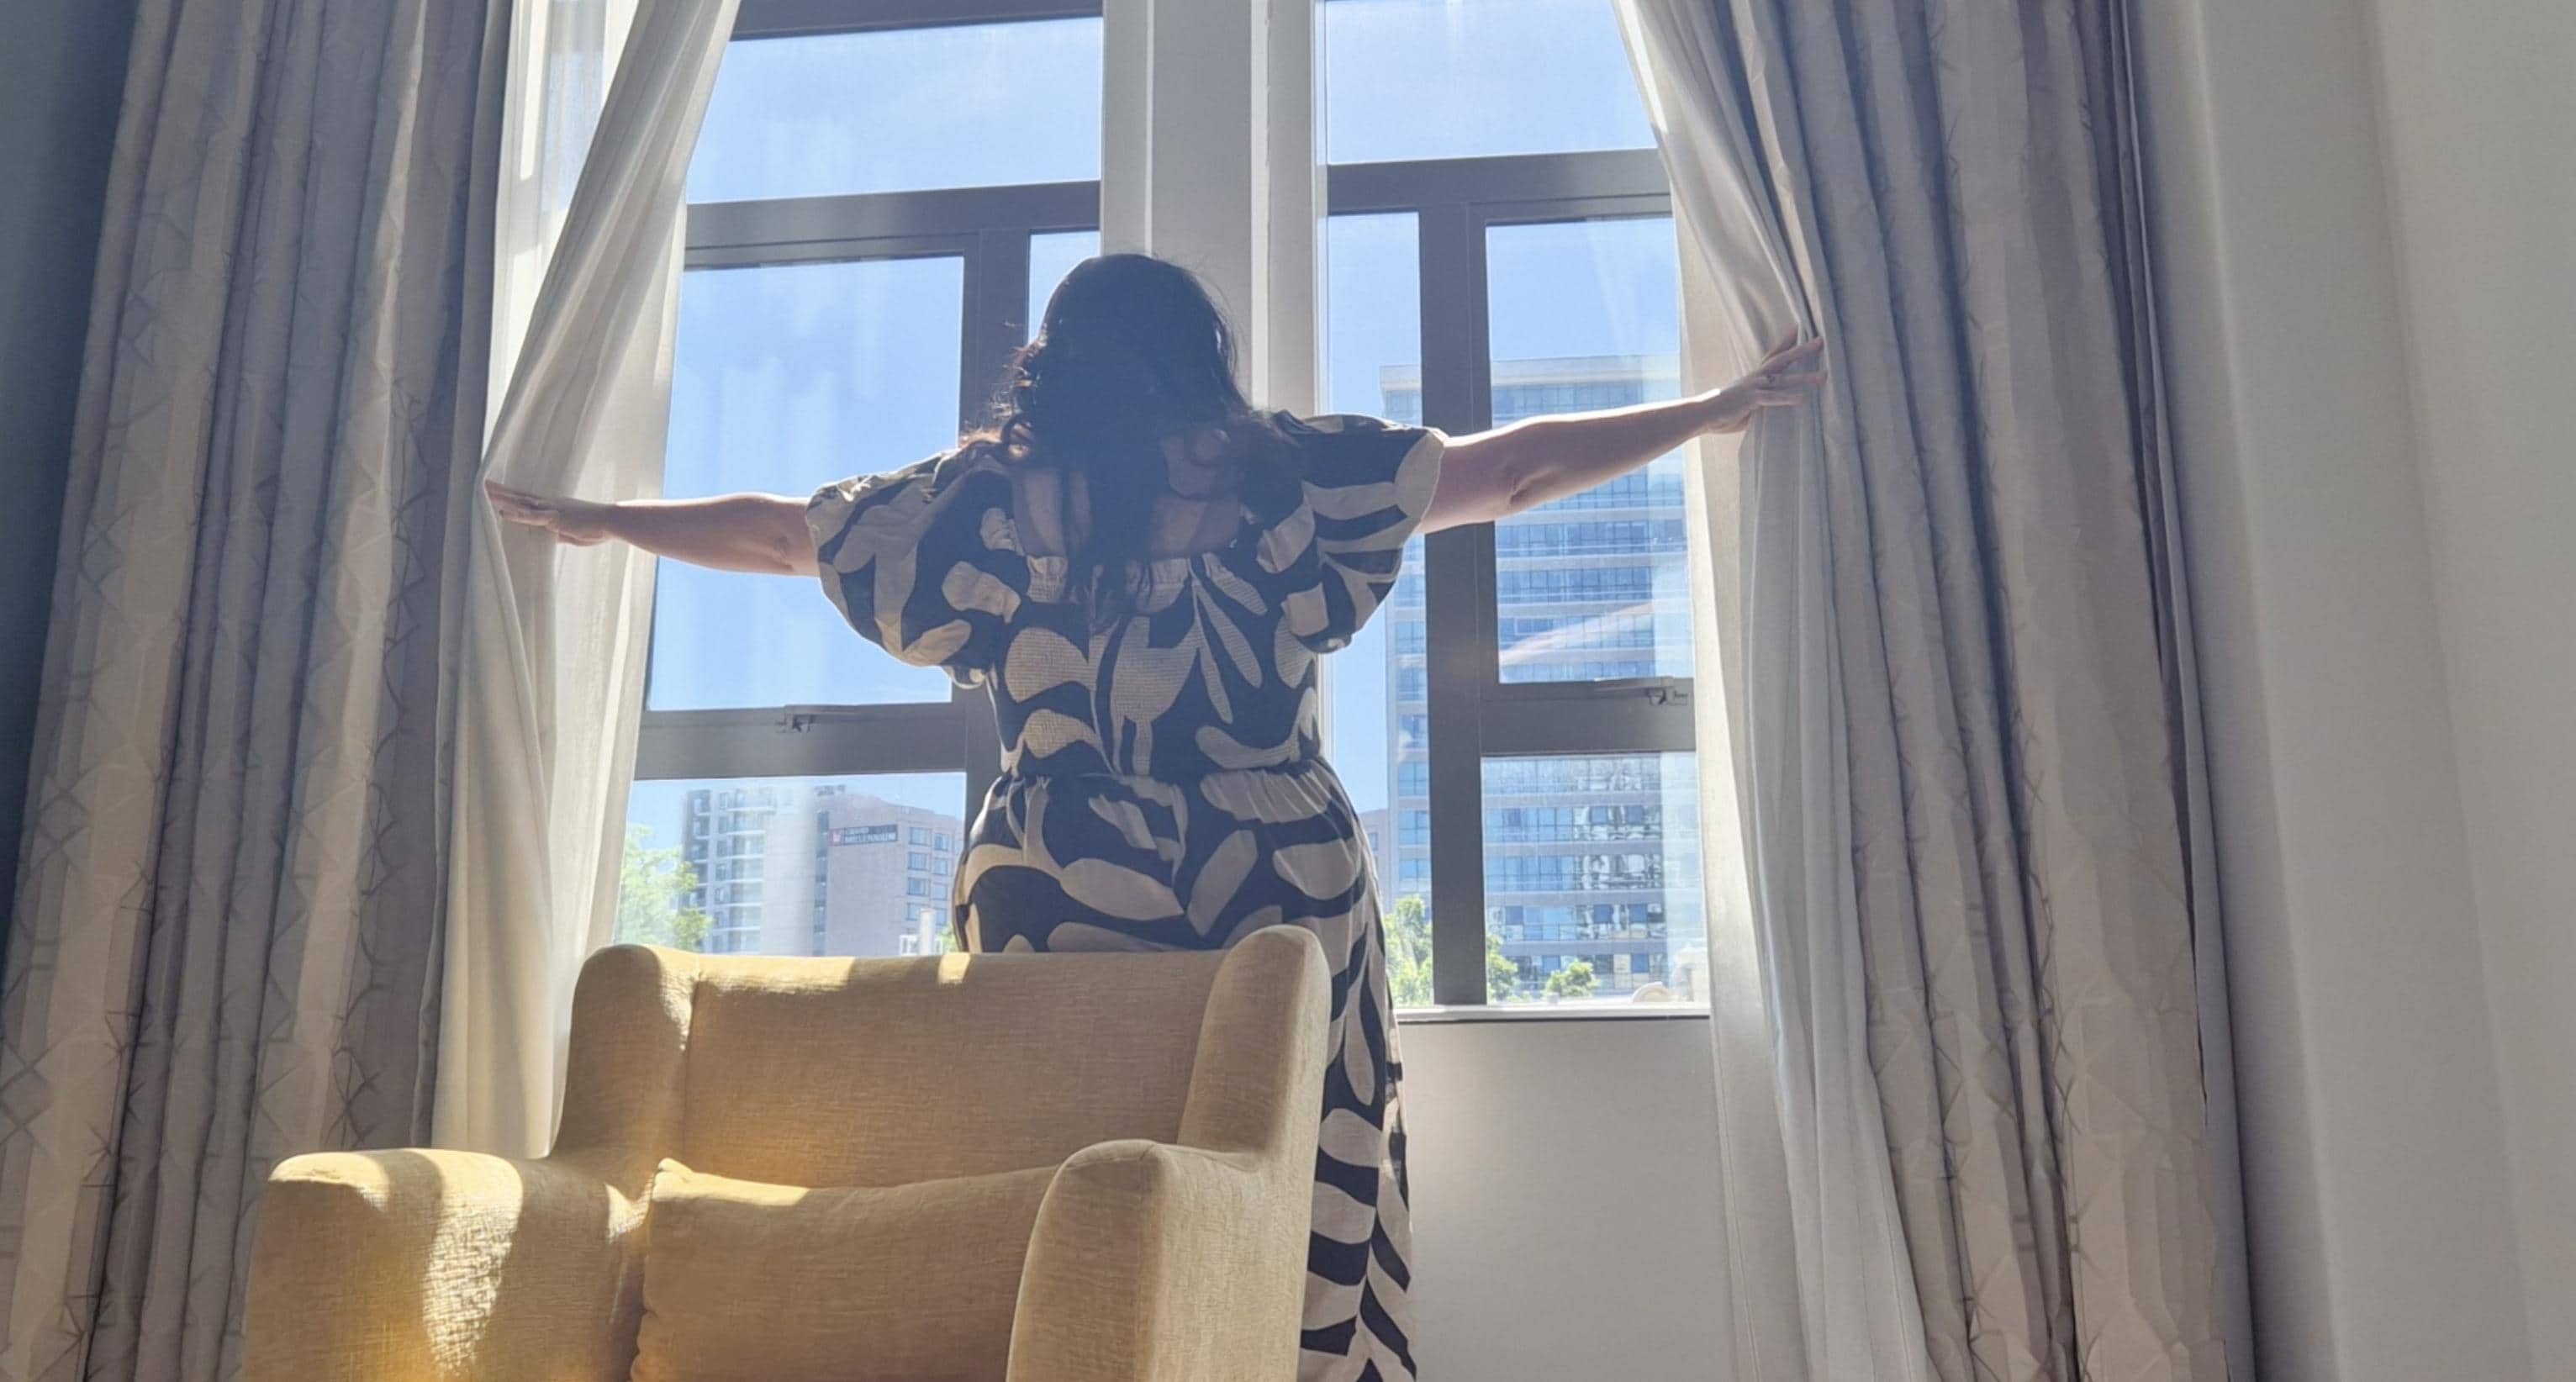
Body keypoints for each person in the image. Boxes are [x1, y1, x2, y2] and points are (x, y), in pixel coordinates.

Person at [491, 252, 1820, 1382]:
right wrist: (1710, 410)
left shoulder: (985, 500)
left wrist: (602, 519)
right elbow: (1510, 474)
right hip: (1277, 878)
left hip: (1056, 872)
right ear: (1202, 355)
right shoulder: (1282, 476)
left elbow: (790, 537)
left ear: (1055, 360)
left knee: (1055, 1183)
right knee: (1298, 1178)